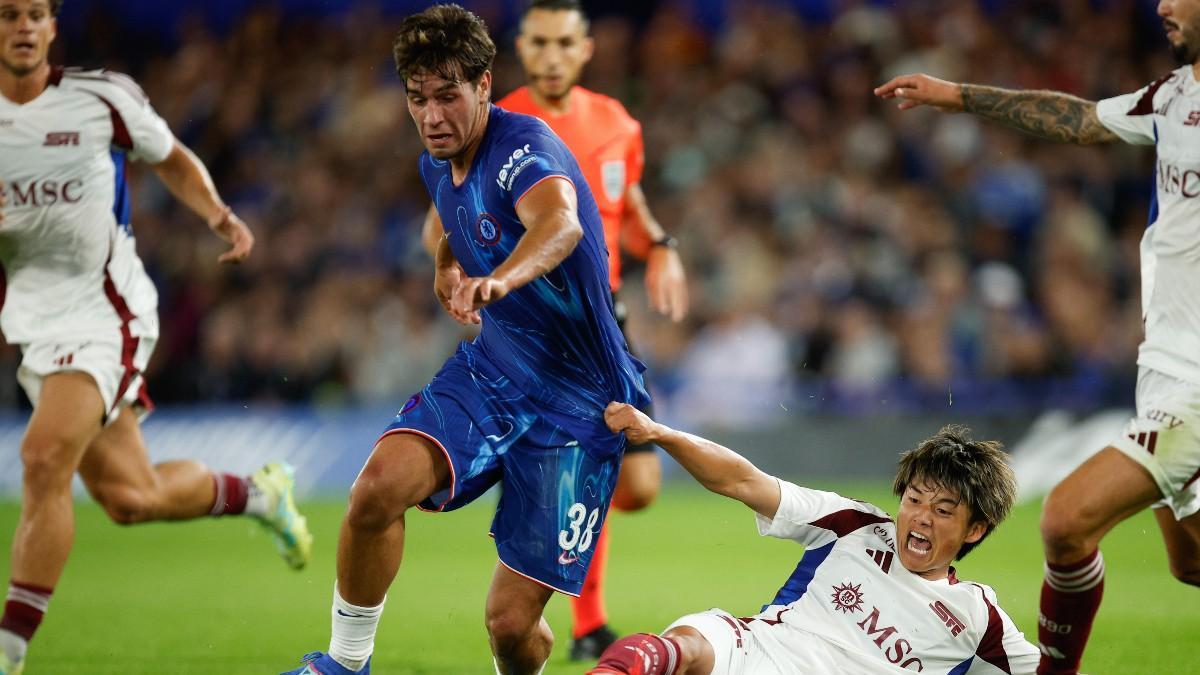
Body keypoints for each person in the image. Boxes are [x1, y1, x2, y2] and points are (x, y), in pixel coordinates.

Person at [281, 5, 649, 675]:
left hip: (580, 401)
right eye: (417, 98)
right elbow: (456, 222)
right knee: (374, 490)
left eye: (447, 95)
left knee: (511, 628)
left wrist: (502, 279)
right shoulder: (436, 162)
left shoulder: (524, 147)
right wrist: (448, 263)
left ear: (484, 85)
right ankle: (345, 662)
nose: (431, 115)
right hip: (494, 369)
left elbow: (560, 223)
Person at [873, 2, 1200, 672]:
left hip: (1197, 380)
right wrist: (959, 95)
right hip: (1164, 363)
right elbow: (1079, 120)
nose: (1162, 5)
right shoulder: (1174, 96)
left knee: (1065, 519)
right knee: (1191, 560)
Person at [0, 1, 312, 674]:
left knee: (43, 455)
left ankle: (8, 651)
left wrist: (220, 216)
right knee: (130, 498)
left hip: (107, 311)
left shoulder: (98, 97)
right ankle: (261, 493)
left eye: (34, 14)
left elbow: (170, 156)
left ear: (53, 25)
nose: (22, 26)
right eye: (5, 14)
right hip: (34, 323)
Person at [420, 0, 687, 658]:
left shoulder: (617, 123)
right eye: (538, 43)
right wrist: (450, 265)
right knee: (591, 457)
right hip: (530, 326)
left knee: (639, 486)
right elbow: (444, 214)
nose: (551, 56)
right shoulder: (498, 123)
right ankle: (587, 620)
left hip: (602, 320)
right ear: (521, 46)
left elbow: (628, 201)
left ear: (586, 48)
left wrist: (662, 245)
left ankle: (536, 498)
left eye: (564, 43)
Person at [590, 403, 1038, 675]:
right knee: (688, 642)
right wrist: (660, 433)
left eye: (942, 511)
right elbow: (745, 482)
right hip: (757, 652)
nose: (920, 518)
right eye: (915, 499)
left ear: (974, 529)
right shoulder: (856, 525)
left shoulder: (979, 620)